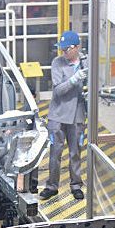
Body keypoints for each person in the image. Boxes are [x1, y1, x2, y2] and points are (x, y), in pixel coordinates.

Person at [40, 30, 87, 201]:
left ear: (77, 47)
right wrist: (75, 79)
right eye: (62, 49)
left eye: (67, 49)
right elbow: (58, 90)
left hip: (77, 115)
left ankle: (76, 185)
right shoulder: (57, 63)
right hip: (58, 116)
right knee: (55, 153)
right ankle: (52, 186)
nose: (64, 53)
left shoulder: (85, 62)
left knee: (75, 153)